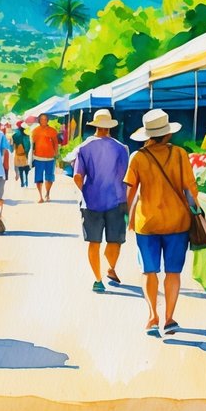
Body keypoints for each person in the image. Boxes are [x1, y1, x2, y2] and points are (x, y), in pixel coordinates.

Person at [125, 109, 198, 337]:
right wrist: (196, 210)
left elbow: (130, 190)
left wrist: (128, 216)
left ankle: (152, 317)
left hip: (147, 223)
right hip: (178, 222)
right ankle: (169, 318)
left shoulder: (137, 157)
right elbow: (191, 189)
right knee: (173, 272)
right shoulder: (179, 154)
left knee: (149, 271)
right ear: (167, 134)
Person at [73, 109, 129, 293]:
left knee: (94, 242)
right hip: (117, 199)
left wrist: (85, 192)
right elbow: (126, 177)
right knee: (115, 241)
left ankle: (97, 279)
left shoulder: (84, 148)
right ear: (110, 127)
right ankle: (110, 267)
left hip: (91, 202)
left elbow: (77, 176)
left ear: (96, 126)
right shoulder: (122, 148)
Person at [31, 114, 60, 202]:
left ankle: (47, 193)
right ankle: (40, 196)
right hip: (38, 158)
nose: (43, 121)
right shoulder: (35, 131)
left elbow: (55, 143)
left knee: (49, 177)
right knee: (38, 178)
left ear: (47, 120)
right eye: (42, 119)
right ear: (39, 120)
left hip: (50, 158)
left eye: (45, 119)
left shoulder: (52, 131)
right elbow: (32, 144)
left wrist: (56, 153)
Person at [11, 121, 31, 187]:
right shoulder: (27, 136)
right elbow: (28, 146)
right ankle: (27, 182)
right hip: (24, 155)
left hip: (18, 154)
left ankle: (22, 182)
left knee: (21, 169)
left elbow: (12, 147)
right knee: (26, 169)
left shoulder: (14, 136)